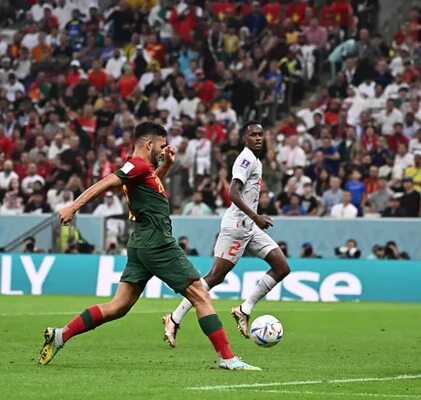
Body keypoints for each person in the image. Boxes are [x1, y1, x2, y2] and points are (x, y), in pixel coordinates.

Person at [38, 122, 259, 371]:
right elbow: (107, 182)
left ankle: (60, 335)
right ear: (148, 143)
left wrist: (166, 166)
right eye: (162, 146)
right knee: (200, 294)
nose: (165, 150)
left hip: (141, 241)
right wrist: (73, 206)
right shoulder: (137, 164)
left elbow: (147, 188)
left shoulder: (144, 170)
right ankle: (228, 358)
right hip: (157, 242)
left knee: (118, 306)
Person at [162, 121, 290, 346]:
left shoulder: (256, 160)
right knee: (214, 277)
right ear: (244, 138)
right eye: (253, 135)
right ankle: (174, 318)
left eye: (261, 134)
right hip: (237, 227)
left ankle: (244, 309)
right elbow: (232, 192)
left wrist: (253, 220)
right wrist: (256, 216)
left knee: (282, 267)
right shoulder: (246, 159)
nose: (258, 138)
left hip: (249, 227)